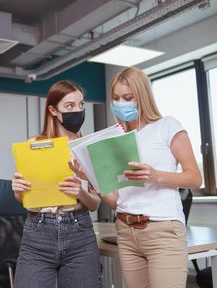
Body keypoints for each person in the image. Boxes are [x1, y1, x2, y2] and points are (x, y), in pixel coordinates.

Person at [105, 67, 202, 288]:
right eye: (116, 98)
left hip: (162, 231)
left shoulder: (167, 126)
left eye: (128, 98)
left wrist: (155, 175)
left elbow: (195, 178)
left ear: (142, 96)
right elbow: (117, 200)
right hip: (125, 230)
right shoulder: (118, 137)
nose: (121, 103)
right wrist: (93, 180)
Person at [12, 80, 101, 288]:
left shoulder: (88, 148)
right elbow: (24, 198)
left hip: (80, 233)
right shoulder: (33, 145)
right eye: (69, 106)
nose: (77, 111)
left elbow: (95, 203)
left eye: (81, 105)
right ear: (53, 110)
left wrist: (80, 192)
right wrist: (18, 190)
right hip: (38, 233)